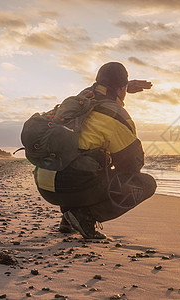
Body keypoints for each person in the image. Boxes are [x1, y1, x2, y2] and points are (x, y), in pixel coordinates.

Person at [34, 62, 157, 239]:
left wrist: (125, 86)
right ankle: (84, 216)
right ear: (122, 88)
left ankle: (68, 217)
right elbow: (131, 166)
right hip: (68, 186)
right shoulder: (114, 115)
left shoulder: (78, 101)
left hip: (44, 185)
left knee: (77, 155)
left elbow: (102, 90)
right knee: (144, 183)